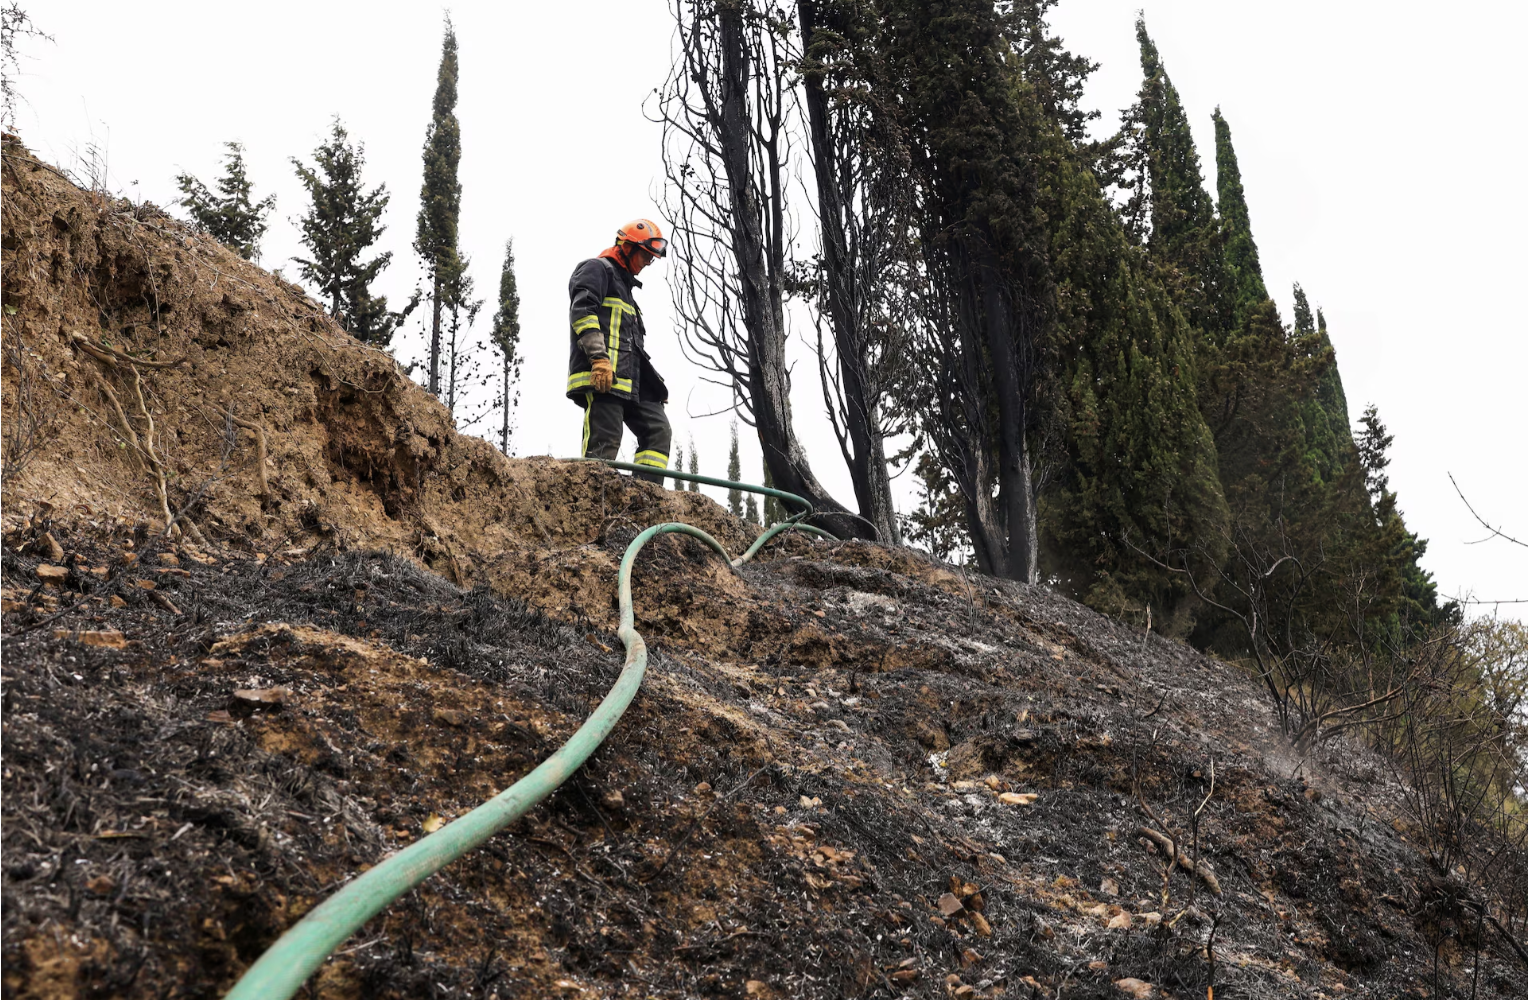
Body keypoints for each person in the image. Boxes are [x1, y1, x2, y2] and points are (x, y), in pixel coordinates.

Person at [566, 219, 672, 483]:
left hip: (629, 382)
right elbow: (582, 312)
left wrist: (653, 387)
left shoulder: (626, 290)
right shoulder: (596, 269)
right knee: (606, 440)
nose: (648, 262)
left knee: (658, 429)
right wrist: (599, 359)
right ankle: (595, 497)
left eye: (651, 258)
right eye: (645, 255)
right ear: (627, 247)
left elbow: (632, 348)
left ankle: (645, 496)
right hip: (603, 378)